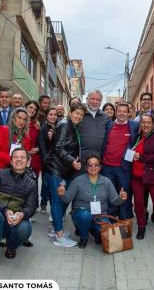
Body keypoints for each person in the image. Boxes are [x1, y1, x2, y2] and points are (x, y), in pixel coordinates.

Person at [0, 148, 38, 272]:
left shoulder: (31, 183)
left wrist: (22, 214)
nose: (19, 159)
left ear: (28, 162)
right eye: (15, 157)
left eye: (22, 157)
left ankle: (11, 246)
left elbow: (31, 207)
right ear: (11, 161)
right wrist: (4, 210)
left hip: (16, 220)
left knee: (25, 228)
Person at [58, 155, 128, 248]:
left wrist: (121, 198)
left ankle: (94, 231)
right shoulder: (78, 180)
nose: (93, 168)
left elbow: (114, 201)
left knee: (105, 236)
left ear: (100, 167)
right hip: (81, 213)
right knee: (85, 216)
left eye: (96, 165)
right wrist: (62, 194)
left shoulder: (106, 181)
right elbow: (67, 199)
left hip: (100, 215)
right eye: (90, 165)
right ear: (86, 168)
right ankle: (84, 237)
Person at [44, 103, 86, 247]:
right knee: (57, 200)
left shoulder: (70, 125)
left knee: (62, 200)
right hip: (56, 169)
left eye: (81, 114)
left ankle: (56, 228)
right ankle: (59, 236)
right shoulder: (65, 124)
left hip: (63, 169)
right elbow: (58, 148)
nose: (79, 116)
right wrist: (72, 161)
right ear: (70, 112)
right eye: (77, 113)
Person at [130, 114, 154, 241]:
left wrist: (141, 157)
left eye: (148, 123)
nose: (146, 125)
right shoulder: (136, 137)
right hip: (136, 176)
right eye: (143, 122)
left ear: (153, 125)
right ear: (140, 124)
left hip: (153, 176)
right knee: (138, 203)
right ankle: (141, 227)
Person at [101, 103, 139, 220]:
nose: (122, 114)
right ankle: (111, 222)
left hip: (124, 168)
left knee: (124, 196)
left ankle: (124, 222)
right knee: (110, 196)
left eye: (124, 111)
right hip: (107, 167)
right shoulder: (109, 125)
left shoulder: (135, 126)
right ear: (116, 112)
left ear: (129, 113)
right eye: (119, 111)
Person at [0, 108, 30, 179]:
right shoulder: (4, 130)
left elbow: (25, 155)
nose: (22, 121)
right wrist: (12, 159)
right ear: (13, 118)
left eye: (24, 119)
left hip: (16, 172)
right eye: (19, 118)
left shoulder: (26, 137)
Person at [79, 90, 110, 162]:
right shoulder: (80, 114)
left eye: (98, 100)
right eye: (92, 99)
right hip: (81, 160)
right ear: (87, 99)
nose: (95, 102)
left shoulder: (105, 117)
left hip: (99, 160)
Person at [38, 107, 58, 214]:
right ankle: (43, 203)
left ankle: (54, 204)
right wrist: (47, 160)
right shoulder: (43, 129)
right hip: (47, 161)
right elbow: (42, 146)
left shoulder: (59, 127)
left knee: (55, 184)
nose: (53, 116)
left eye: (55, 114)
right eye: (51, 114)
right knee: (46, 184)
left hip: (58, 161)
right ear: (46, 116)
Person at [25, 100, 41, 176]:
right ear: (25, 108)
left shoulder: (36, 125)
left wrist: (38, 148)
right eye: (30, 107)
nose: (32, 110)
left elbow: (39, 141)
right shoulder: (18, 122)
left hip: (33, 160)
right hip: (19, 157)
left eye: (35, 109)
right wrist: (26, 152)